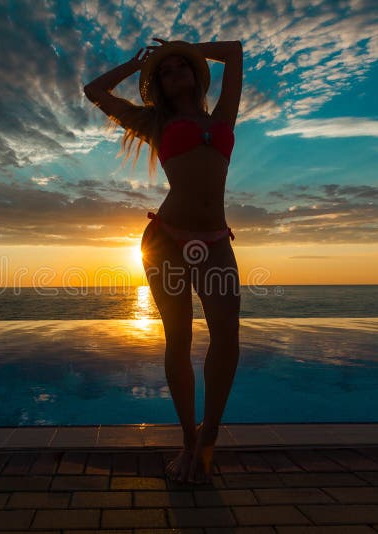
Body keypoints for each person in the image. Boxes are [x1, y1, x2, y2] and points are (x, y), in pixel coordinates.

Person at [84, 38, 243, 485]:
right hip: (167, 241)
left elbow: (233, 51)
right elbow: (94, 90)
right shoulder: (154, 122)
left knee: (227, 339)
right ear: (158, 84)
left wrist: (182, 45)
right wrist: (136, 64)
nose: (175, 74)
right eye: (166, 71)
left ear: (194, 74)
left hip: (214, 240)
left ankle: (208, 437)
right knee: (178, 340)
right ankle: (189, 446)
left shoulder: (222, 116)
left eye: (182, 67)